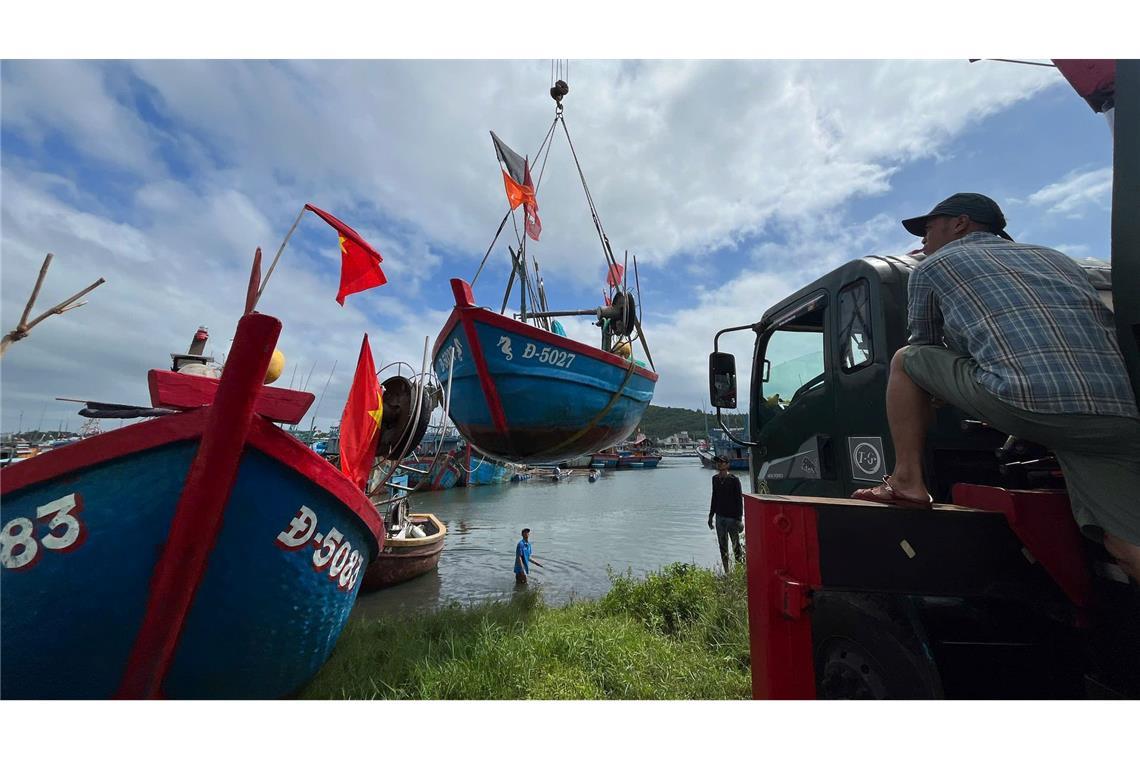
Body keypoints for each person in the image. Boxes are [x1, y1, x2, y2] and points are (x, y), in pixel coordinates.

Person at [850, 192, 1140, 582]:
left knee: (906, 359)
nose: (922, 241)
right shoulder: (1059, 260)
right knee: (1127, 545)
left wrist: (934, 393)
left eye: (928, 228)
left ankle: (907, 481)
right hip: (1120, 412)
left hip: (1029, 402)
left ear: (961, 223)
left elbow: (925, 346)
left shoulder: (932, 266)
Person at [708, 456, 744, 572]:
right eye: (718, 462)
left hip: (732, 518)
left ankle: (739, 570)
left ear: (727, 464)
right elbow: (714, 498)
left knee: (736, 545)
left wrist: (739, 519)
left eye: (722, 462)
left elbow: (739, 500)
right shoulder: (715, 479)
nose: (719, 464)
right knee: (722, 546)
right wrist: (710, 516)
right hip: (720, 517)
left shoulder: (734, 480)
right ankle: (727, 572)